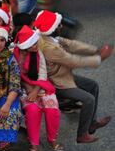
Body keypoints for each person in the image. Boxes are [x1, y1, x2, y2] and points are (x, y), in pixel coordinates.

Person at [35, 10, 113, 143]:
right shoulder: (49, 47)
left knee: (93, 85)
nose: (61, 26)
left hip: (62, 75)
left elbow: (73, 45)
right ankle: (82, 135)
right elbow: (74, 61)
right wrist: (99, 58)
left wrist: (96, 50)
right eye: (59, 25)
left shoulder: (50, 37)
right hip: (56, 82)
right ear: (53, 29)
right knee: (89, 99)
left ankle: (91, 124)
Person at [14, 25, 63, 151]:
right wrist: (27, 87)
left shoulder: (38, 53)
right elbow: (15, 75)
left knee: (52, 108)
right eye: (33, 44)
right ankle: (34, 145)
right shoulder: (14, 54)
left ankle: (52, 139)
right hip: (22, 87)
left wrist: (35, 90)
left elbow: (42, 74)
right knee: (33, 111)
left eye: (36, 43)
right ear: (25, 46)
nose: (36, 45)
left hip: (39, 86)